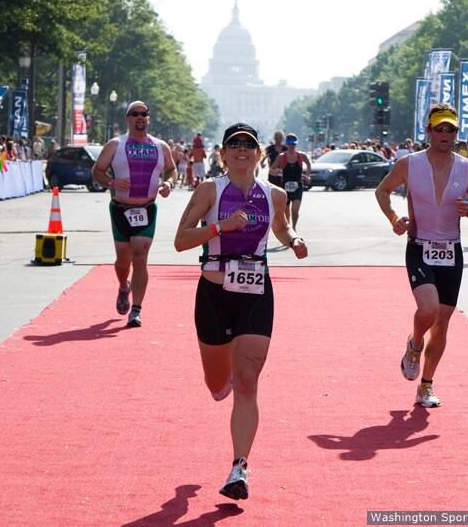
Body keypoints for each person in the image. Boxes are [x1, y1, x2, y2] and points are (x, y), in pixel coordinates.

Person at [174, 123, 307, 500]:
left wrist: (295, 240)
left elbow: (282, 229)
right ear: (223, 154)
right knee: (218, 385)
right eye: (234, 144)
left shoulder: (275, 195)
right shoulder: (208, 190)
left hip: (255, 293)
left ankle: (239, 467)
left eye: (249, 144)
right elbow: (181, 240)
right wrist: (220, 227)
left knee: (248, 381)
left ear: (259, 154)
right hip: (214, 295)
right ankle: (223, 380)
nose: (242, 150)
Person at [375, 103, 468, 408]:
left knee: (442, 322)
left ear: (456, 133)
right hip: (420, 246)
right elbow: (382, 191)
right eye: (438, 128)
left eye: (450, 129)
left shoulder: (467, 168)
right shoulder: (409, 164)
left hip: (451, 250)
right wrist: (394, 218)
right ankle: (414, 344)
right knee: (428, 311)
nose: (444, 134)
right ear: (428, 130)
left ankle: (426, 385)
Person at [92, 100, 177, 327]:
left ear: (148, 119)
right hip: (121, 209)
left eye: (144, 114)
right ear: (128, 118)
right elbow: (97, 171)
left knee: (140, 258)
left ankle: (136, 310)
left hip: (147, 209)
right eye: (135, 114)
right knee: (123, 261)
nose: (140, 117)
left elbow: (171, 169)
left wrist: (168, 183)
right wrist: (111, 182)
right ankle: (123, 286)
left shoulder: (161, 147)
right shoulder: (115, 145)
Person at [276, 133, 311, 231]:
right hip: (285, 186)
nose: (292, 146)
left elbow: (308, 164)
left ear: (296, 145)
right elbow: (272, 169)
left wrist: (308, 176)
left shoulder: (301, 156)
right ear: (286, 144)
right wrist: (277, 171)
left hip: (298, 186)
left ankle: (294, 227)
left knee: (295, 210)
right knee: (286, 213)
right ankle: (288, 229)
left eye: (294, 144)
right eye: (290, 144)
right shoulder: (281, 157)